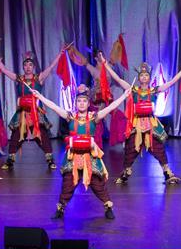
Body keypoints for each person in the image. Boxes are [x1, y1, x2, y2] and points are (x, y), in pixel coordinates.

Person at [31, 83, 131, 220]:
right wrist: (40, 96)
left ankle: (108, 207)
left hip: (90, 155)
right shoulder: (70, 116)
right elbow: (53, 106)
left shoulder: (94, 117)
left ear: (88, 103)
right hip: (73, 155)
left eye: (84, 101)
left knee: (97, 183)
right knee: (68, 183)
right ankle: (60, 209)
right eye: (79, 101)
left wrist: (124, 96)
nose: (82, 103)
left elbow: (110, 108)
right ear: (75, 103)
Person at [103, 55, 181, 185]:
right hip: (136, 124)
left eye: (146, 75)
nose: (143, 77)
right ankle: (126, 173)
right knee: (131, 149)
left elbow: (171, 82)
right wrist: (105, 65)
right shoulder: (133, 90)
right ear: (138, 78)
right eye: (141, 75)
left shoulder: (154, 90)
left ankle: (167, 172)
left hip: (150, 124)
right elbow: (118, 79)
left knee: (158, 148)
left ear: (150, 78)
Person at [0, 47, 68, 170]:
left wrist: (60, 54)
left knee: (42, 135)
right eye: (26, 65)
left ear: (33, 67)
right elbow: (4, 70)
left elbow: (51, 67)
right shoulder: (19, 78)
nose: (28, 67)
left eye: (30, 65)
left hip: (35, 112)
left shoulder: (38, 78)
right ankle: (10, 160)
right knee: (16, 136)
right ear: (23, 67)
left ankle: (50, 160)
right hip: (22, 112)